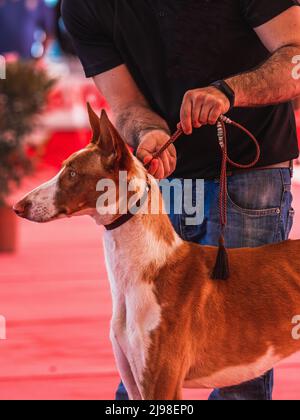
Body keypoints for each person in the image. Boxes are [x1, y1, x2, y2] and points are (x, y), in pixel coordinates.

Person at [61, 0, 300, 400]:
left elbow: (296, 59)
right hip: (165, 175)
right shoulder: (85, 7)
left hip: (250, 168)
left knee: (242, 364)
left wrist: (230, 91)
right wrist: (148, 132)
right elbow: (126, 105)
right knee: (148, 356)